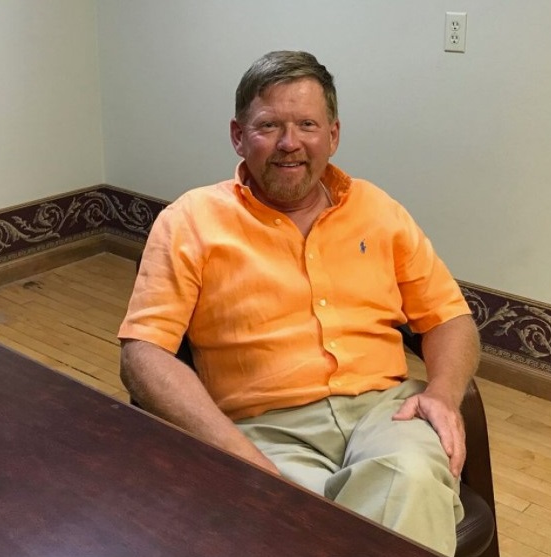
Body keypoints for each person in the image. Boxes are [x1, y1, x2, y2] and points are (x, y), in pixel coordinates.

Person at [118, 50, 479, 557]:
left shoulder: (379, 211)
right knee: (298, 523)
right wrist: (236, 454)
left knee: (413, 475)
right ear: (237, 136)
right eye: (268, 125)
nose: (290, 144)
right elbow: (144, 352)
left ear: (333, 135)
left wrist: (442, 393)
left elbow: (449, 317)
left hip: (385, 415)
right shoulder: (190, 221)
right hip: (262, 430)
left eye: (307, 124)